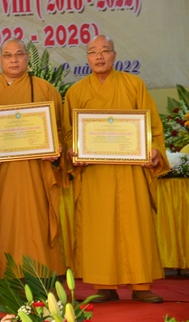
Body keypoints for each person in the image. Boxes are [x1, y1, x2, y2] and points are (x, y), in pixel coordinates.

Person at [63, 35, 169, 303]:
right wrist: (73, 151)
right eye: (93, 52)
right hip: (95, 173)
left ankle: (141, 285)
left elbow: (153, 127)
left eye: (104, 51)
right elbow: (69, 133)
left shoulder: (134, 85)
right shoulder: (75, 92)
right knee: (99, 227)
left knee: (136, 224)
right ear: (87, 58)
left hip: (130, 171)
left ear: (114, 55)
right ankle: (104, 285)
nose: (99, 56)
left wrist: (154, 149)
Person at [0, 38, 66, 279]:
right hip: (0, 176)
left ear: (27, 58)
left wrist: (57, 149)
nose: (13, 60)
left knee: (38, 224)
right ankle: (8, 280)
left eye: (19, 54)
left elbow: (60, 129)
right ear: (0, 60)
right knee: (4, 226)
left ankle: (43, 280)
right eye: (8, 55)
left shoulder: (45, 89)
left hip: (37, 174)